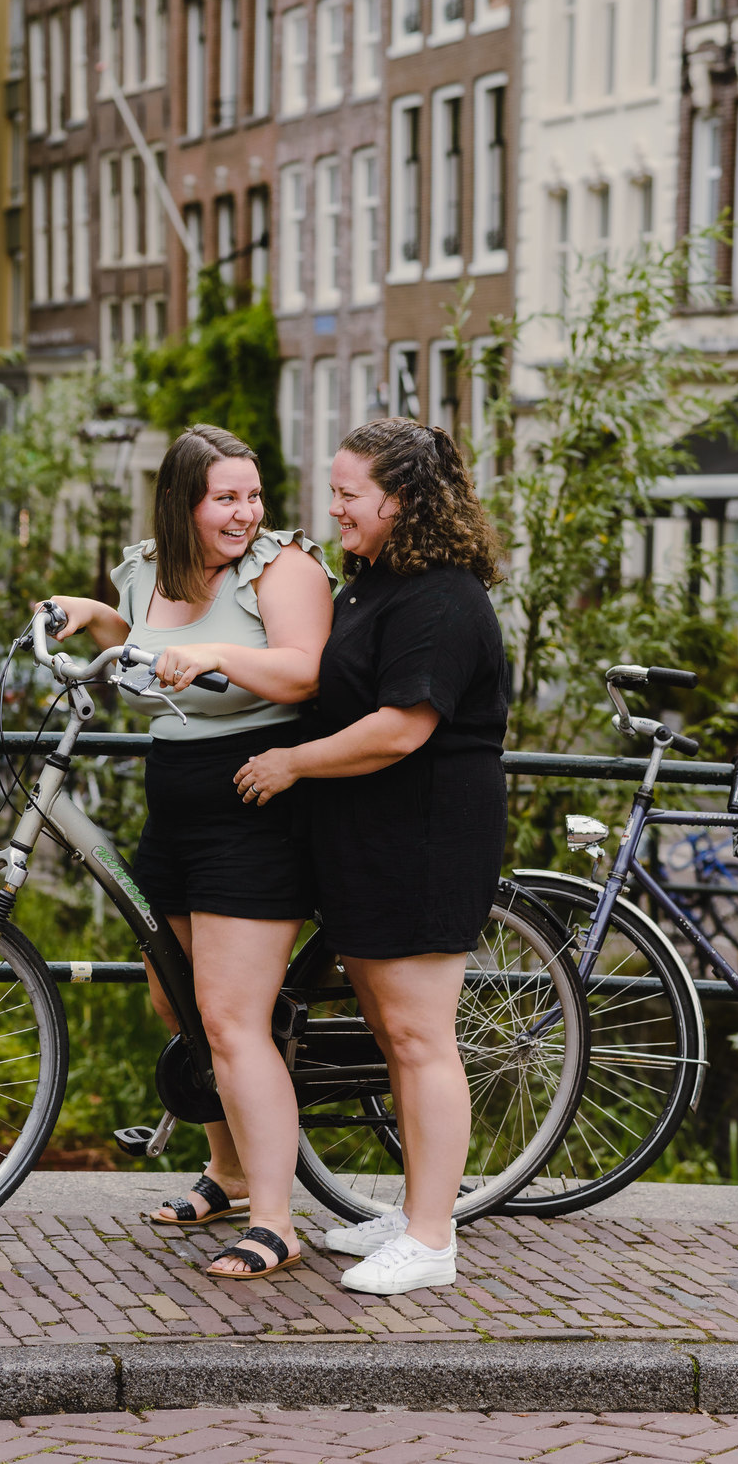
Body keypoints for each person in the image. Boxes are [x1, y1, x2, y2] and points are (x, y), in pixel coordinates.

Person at [48, 424, 334, 1279]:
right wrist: (85, 614)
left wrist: (213, 652)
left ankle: (279, 1221)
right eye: (226, 498)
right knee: (176, 1004)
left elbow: (305, 670)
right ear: (183, 505)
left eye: (252, 495)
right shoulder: (145, 569)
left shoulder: (284, 568)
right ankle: (231, 1170)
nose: (246, 512)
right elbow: (132, 631)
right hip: (172, 798)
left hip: (254, 801)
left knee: (234, 1020)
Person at [235, 416, 507, 1297]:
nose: (335, 506)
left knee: (424, 1038)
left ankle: (433, 1239)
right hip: (372, 839)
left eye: (350, 493)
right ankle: (417, 1208)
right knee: (396, 1034)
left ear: (401, 500)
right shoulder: (377, 582)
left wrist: (290, 763)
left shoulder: (442, 599)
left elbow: (401, 728)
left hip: (423, 838)